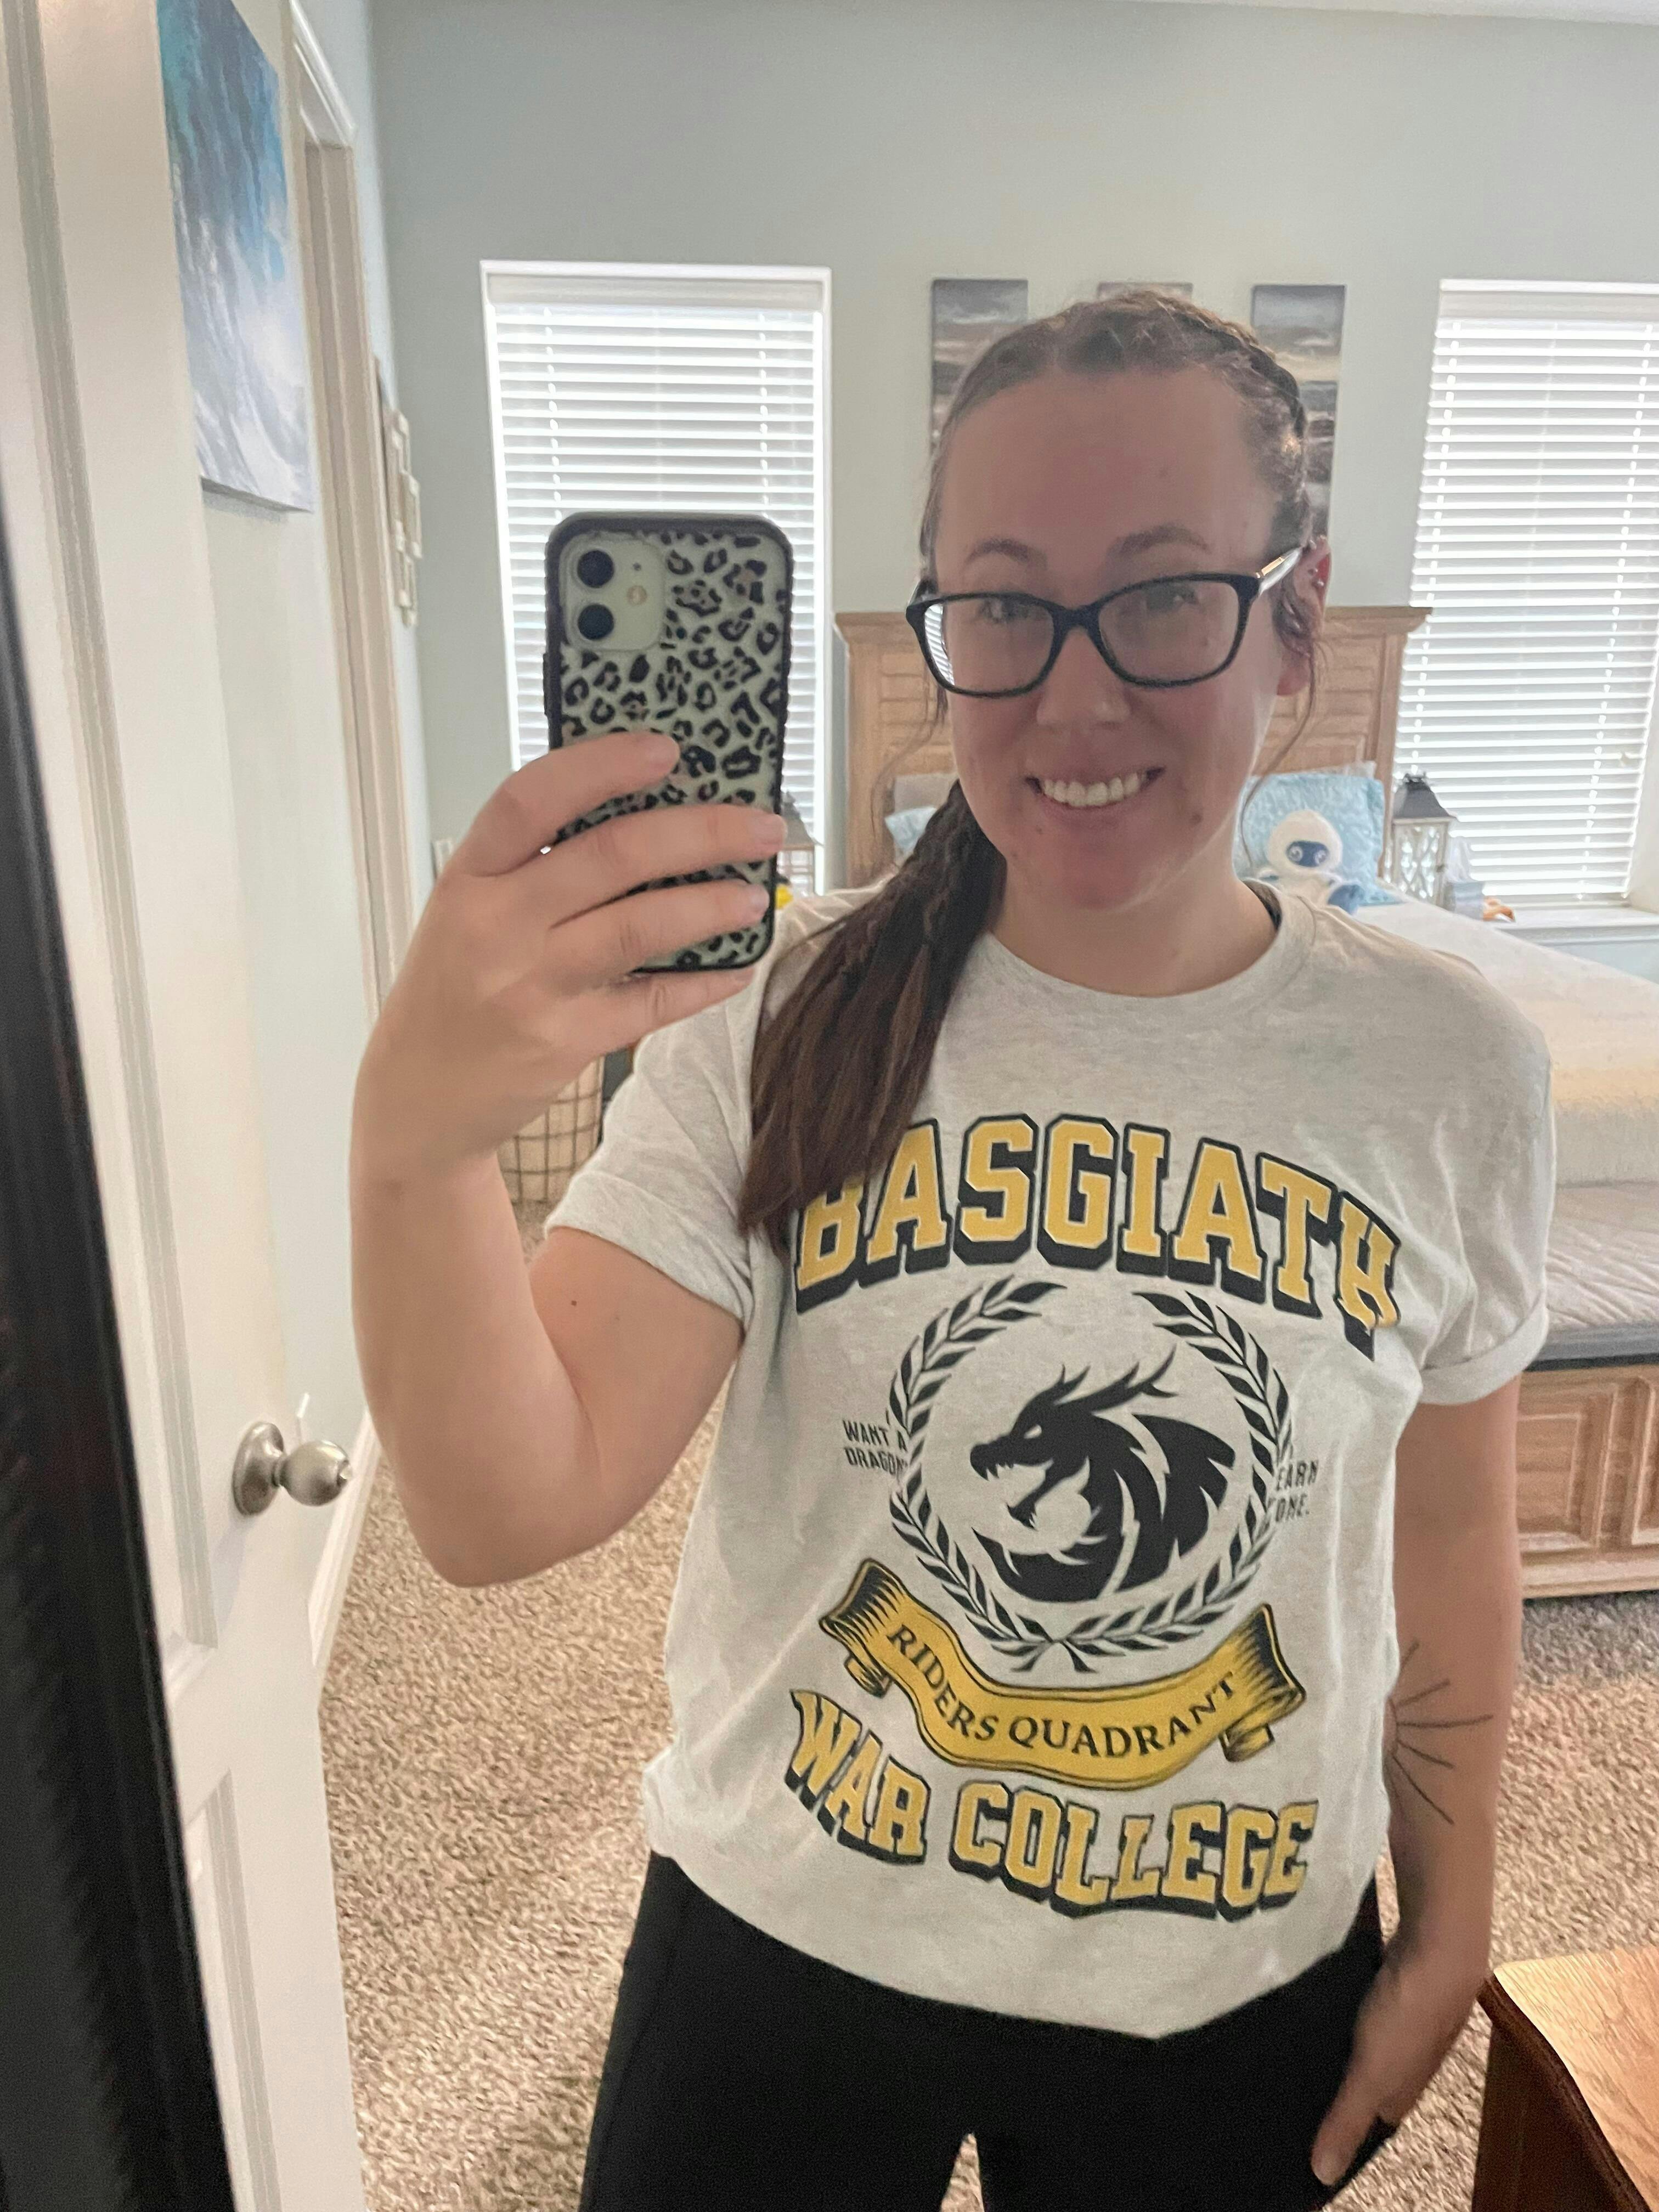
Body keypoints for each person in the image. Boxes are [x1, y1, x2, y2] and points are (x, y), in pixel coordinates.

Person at [349, 291, 1555, 2211]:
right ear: (940, 628)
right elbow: (505, 1509)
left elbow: (1450, 1533)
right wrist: (416, 1145)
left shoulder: (1450, 1067)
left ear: (1295, 625)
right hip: (779, 1946)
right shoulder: (773, 1013)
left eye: (1165, 598)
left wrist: (1455, 1912)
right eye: (1005, 606)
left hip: (1228, 1981)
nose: (1074, 698)